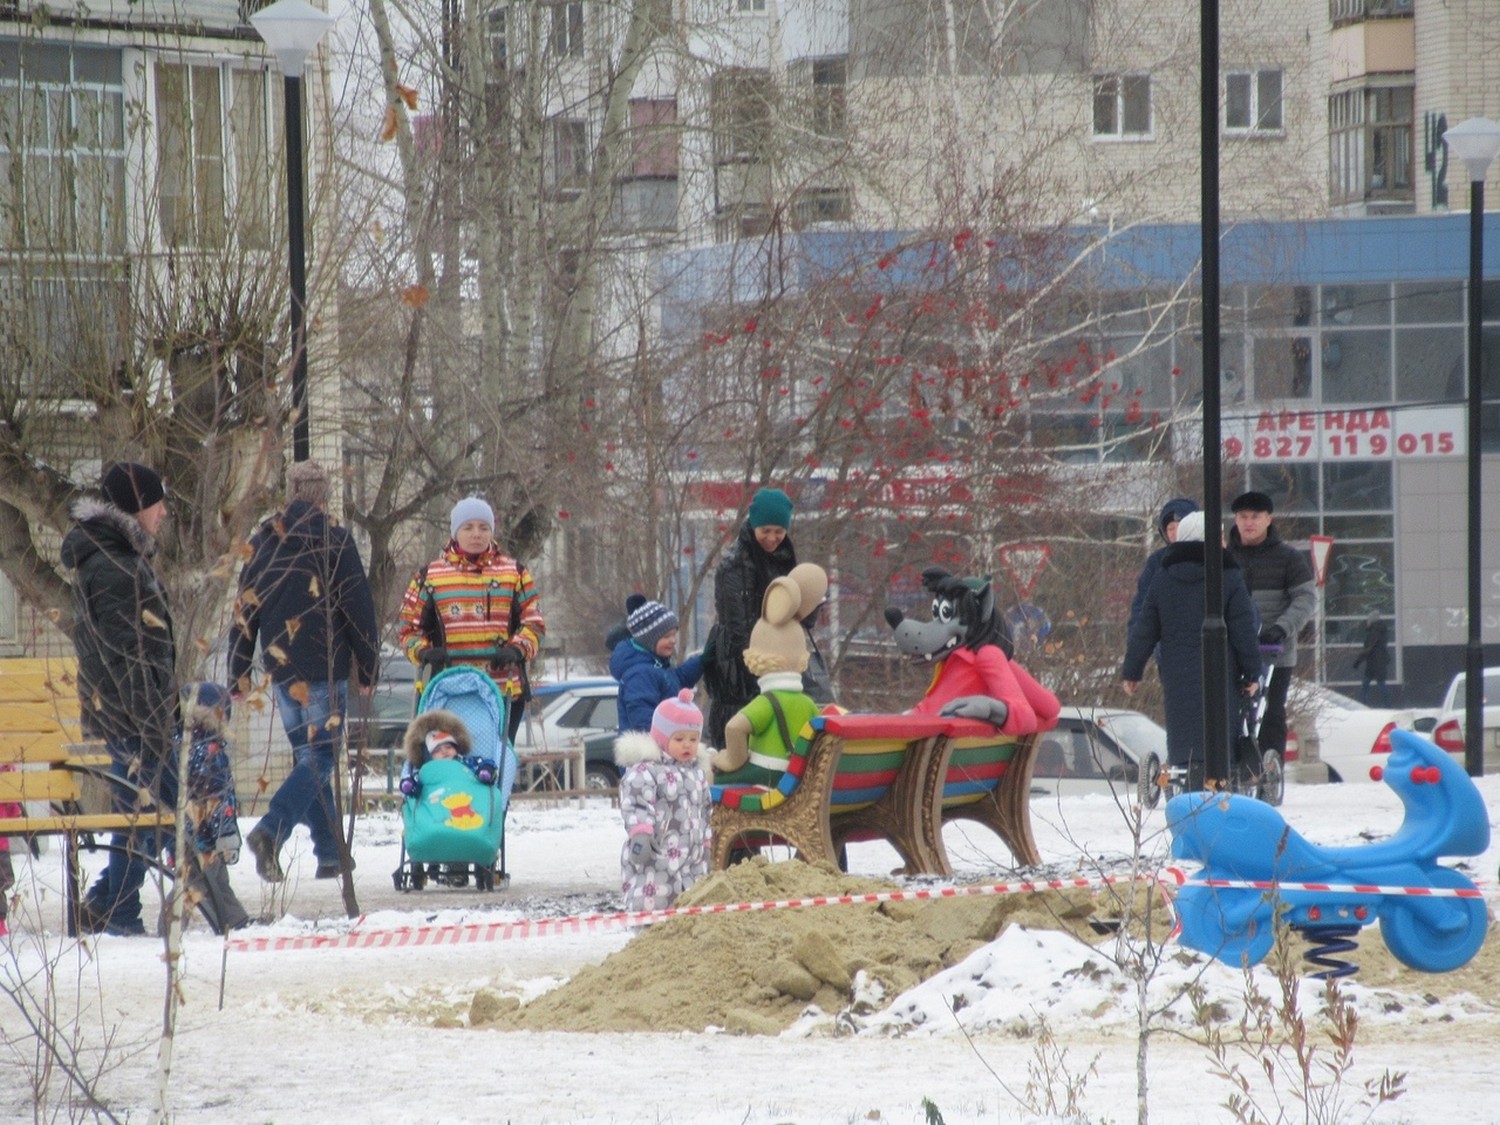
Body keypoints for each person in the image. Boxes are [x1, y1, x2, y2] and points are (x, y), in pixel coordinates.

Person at [230, 460, 380, 884]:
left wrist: (238, 671)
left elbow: (245, 610)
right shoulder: (336, 541)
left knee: (308, 760)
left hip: (281, 670)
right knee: (320, 758)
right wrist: (367, 667)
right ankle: (270, 829)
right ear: (325, 495)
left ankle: (331, 852)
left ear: (290, 494)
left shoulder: (263, 542)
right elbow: (360, 610)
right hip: (325, 666)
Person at [62, 462, 178, 936]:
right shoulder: (113, 569)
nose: (164, 512)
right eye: (157, 503)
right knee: (147, 811)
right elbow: (125, 659)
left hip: (128, 712)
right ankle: (120, 912)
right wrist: (153, 726)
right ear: (136, 508)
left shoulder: (117, 558)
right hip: (128, 716)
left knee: (156, 806)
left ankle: (107, 901)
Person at [1122, 512, 1262, 787]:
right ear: (1211, 539)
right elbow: (1244, 630)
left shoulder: (1163, 578)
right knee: (1219, 730)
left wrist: (1132, 670)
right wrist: (1252, 672)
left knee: (1184, 728)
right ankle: (1221, 781)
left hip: (1178, 672)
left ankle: (1185, 771)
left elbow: (1145, 628)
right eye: (1220, 536)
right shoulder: (1229, 576)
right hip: (1222, 672)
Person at [396, 496, 544, 743]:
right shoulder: (429, 577)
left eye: (483, 528)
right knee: (451, 755)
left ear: (492, 531)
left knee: (497, 756)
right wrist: (423, 652)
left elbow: (534, 622)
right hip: (449, 688)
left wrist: (517, 649)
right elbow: (408, 628)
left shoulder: (514, 573)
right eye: (468, 527)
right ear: (455, 532)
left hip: (503, 687)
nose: (477, 534)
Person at [705, 487, 832, 747]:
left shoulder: (785, 560)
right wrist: (764, 666)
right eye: (765, 531)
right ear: (753, 525)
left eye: (779, 531)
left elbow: (795, 618)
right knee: (747, 737)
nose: (772, 538)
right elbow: (738, 629)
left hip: (779, 664)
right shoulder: (734, 565)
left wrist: (810, 603)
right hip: (741, 671)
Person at [1226, 491, 1317, 769]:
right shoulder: (1223, 558)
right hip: (1233, 651)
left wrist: (1281, 628)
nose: (1248, 523)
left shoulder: (1288, 558)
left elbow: (1306, 598)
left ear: (1269, 519)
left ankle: (1268, 768)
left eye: (1255, 516)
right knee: (1232, 710)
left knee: (1271, 712)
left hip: (1275, 652)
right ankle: (1233, 765)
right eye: (1243, 517)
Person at [613, 689, 714, 912]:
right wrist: (640, 833)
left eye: (693, 739)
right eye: (679, 739)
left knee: (693, 901)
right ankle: (648, 930)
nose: (688, 745)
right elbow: (636, 802)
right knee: (653, 895)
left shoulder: (697, 774)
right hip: (657, 856)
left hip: (693, 859)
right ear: (661, 737)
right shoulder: (647, 771)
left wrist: (706, 843)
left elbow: (706, 811)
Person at [168, 682, 250, 933]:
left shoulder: (177, 747)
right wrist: (225, 836)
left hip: (179, 832)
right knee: (203, 885)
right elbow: (218, 798)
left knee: (203, 884)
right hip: (205, 838)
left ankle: (234, 922)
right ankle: (232, 923)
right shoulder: (211, 753)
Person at [610, 594, 705, 735]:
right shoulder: (640, 673)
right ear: (648, 640)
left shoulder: (656, 665)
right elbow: (643, 720)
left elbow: (675, 681)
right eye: (666, 636)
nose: (673, 641)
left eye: (674, 635)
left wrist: (702, 661)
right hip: (649, 749)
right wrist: (673, 736)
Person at [1127, 497, 1199, 640]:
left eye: (1179, 526)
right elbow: (1142, 605)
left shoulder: (1211, 556)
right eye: (1170, 528)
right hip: (1169, 646)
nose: (1174, 532)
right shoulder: (1157, 562)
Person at [398, 722, 499, 799]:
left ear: (456, 749)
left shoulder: (465, 763)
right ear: (431, 756)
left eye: (448, 747)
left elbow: (483, 763)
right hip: (437, 803)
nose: (444, 752)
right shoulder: (429, 770)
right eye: (438, 750)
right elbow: (417, 778)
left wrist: (486, 770)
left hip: (467, 797)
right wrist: (410, 784)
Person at [1353, 610, 1391, 706]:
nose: (1367, 622)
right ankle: (1387, 705)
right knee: (1380, 684)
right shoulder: (1381, 631)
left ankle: (1362, 706)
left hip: (1374, 663)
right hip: (1379, 662)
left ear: (1372, 621)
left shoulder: (1374, 633)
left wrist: (1358, 661)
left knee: (1367, 686)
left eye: (1368, 620)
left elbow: (1368, 649)